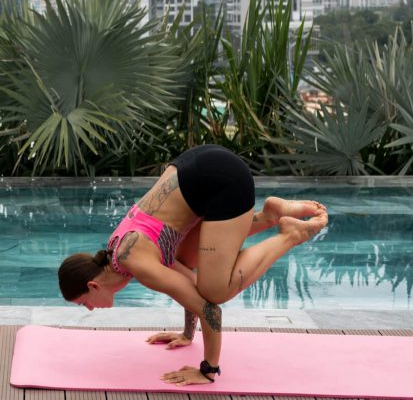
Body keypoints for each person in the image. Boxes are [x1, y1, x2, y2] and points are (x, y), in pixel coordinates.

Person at [57, 144, 328, 387]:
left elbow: (209, 309)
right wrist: (187, 334)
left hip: (219, 180)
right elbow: (187, 283)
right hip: (200, 167)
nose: (90, 308)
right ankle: (268, 215)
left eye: (85, 302)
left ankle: (290, 235)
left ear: (93, 285)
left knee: (216, 291)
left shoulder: (136, 263)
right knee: (193, 265)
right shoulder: (117, 250)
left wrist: (207, 370)